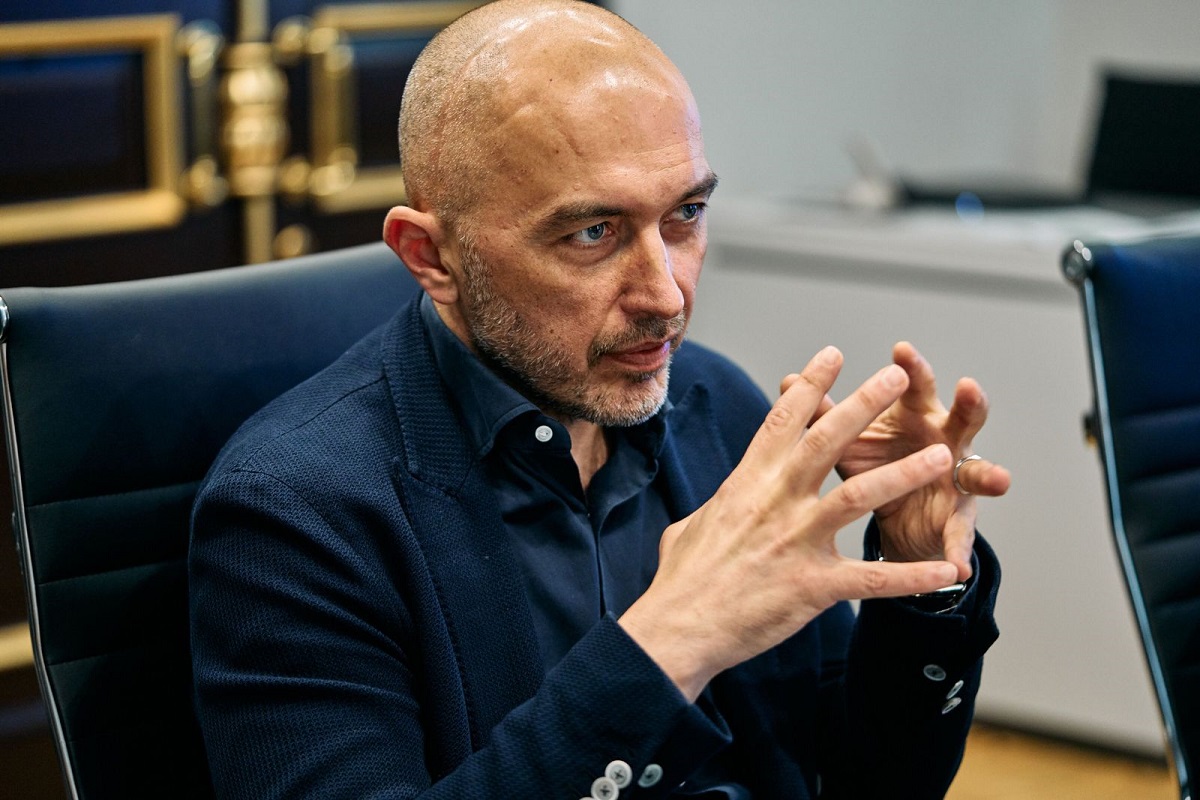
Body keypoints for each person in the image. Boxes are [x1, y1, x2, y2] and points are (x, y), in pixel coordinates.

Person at [189, 1, 1012, 797]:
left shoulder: (716, 407)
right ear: (432, 256)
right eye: (593, 233)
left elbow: (862, 779)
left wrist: (920, 579)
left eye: (686, 214)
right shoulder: (295, 510)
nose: (666, 295)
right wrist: (669, 643)